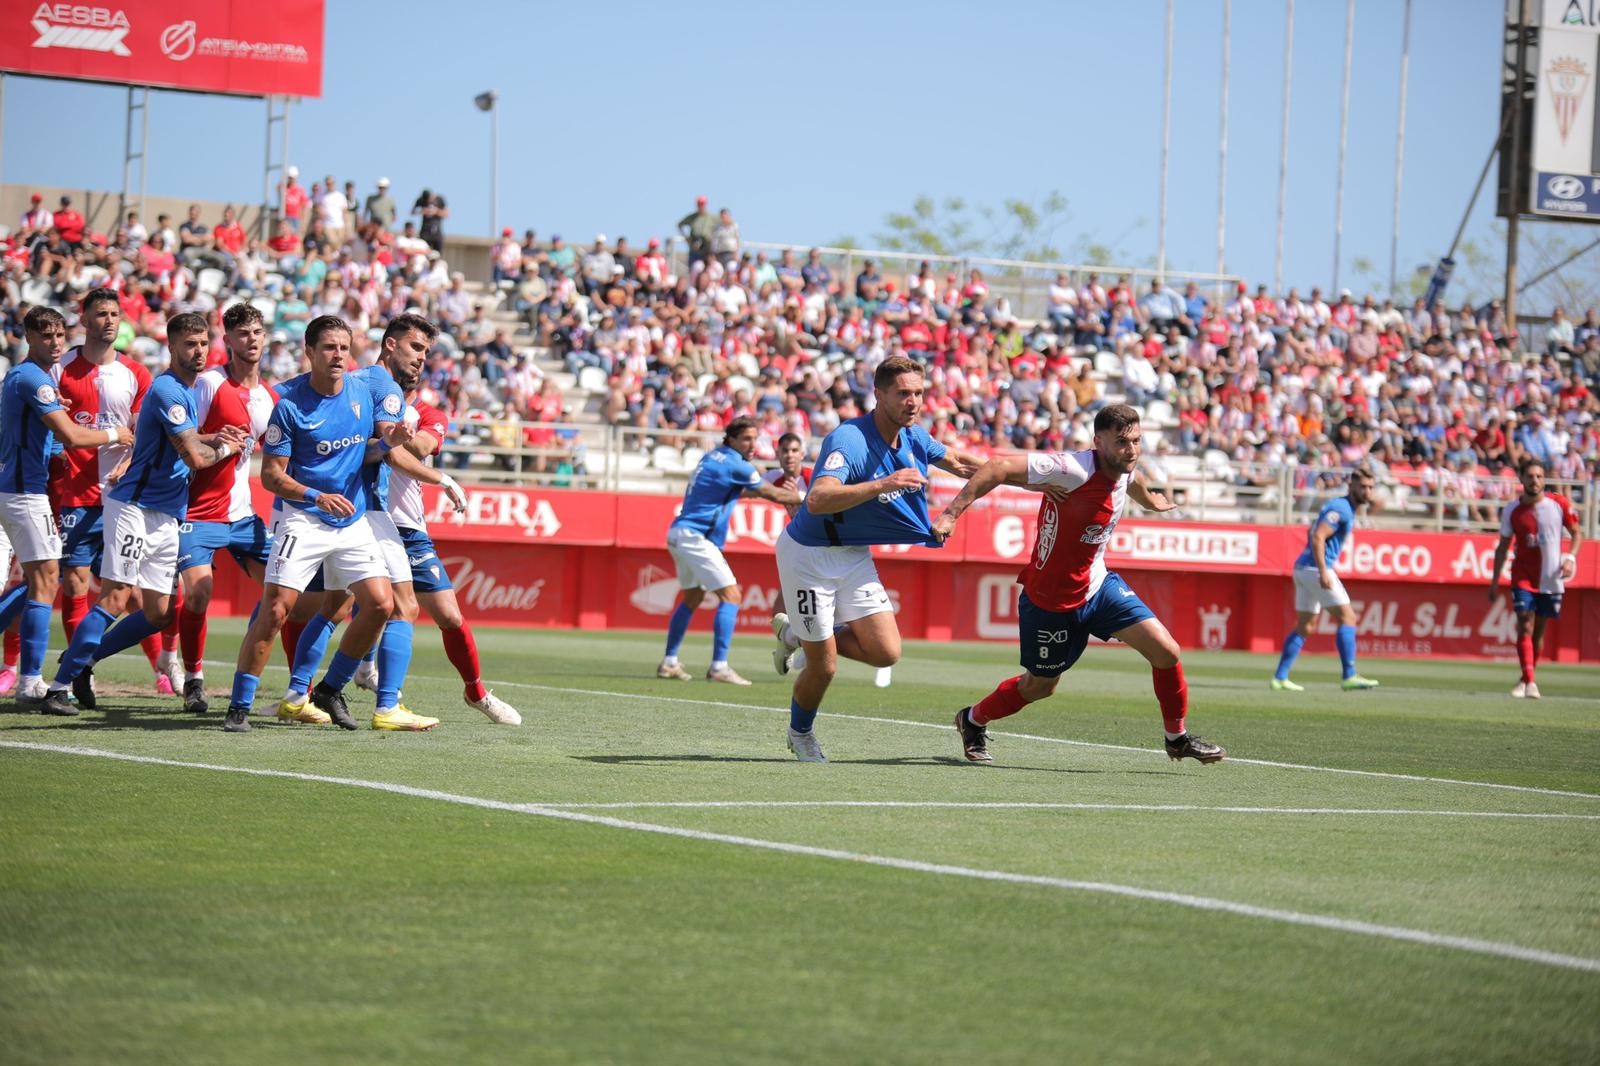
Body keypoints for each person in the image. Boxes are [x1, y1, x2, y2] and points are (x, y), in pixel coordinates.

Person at [931, 404, 1226, 767]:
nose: (1131, 449)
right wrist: (950, 513)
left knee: (1166, 651)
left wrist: (1152, 503)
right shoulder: (1071, 470)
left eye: (1136, 441)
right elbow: (996, 466)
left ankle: (1176, 738)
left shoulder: (1123, 470)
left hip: (1099, 587)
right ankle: (972, 719)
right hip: (1048, 601)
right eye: (1121, 442)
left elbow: (1132, 482)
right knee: (1040, 686)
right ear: (1097, 442)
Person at [769, 355, 984, 761]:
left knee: (887, 652)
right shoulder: (848, 439)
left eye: (918, 393)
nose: (913, 402)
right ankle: (800, 733)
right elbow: (817, 499)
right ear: (879, 394)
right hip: (809, 557)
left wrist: (1024, 477)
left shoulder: (914, 436)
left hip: (851, 555)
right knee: (825, 666)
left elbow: (959, 463)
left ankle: (794, 635)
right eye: (903, 393)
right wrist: (884, 483)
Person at [38, 315, 248, 715]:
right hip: (134, 507)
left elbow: (179, 442)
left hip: (166, 513)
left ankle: (83, 663)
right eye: (190, 343)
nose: (199, 351)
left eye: (203, 343)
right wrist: (224, 448)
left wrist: (211, 437)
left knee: (158, 613)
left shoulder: (184, 392)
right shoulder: (169, 390)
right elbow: (192, 457)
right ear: (171, 347)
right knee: (116, 596)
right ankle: (58, 687)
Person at [275, 315, 473, 725]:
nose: (421, 359)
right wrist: (442, 478)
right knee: (401, 606)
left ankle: (297, 695)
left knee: (333, 605)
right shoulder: (382, 386)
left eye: (425, 353)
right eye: (415, 348)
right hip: (363, 510)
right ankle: (381, 704)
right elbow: (390, 450)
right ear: (389, 345)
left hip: (328, 508)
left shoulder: (352, 381)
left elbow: (284, 395)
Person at [220, 315, 415, 733]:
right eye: (328, 347)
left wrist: (387, 444)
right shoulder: (289, 405)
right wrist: (315, 495)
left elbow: (363, 453)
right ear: (309, 352)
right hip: (303, 519)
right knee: (275, 611)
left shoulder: (363, 392)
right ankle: (239, 705)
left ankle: (329, 689)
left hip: (351, 520)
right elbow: (271, 475)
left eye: (344, 347)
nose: (338, 355)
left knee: (381, 604)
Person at [0, 307, 133, 705]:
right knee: (45, 580)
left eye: (60, 335)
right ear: (28, 337)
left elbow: (49, 438)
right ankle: (30, 682)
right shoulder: (33, 378)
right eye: (46, 336)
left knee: (42, 579)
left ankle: (28, 678)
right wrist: (116, 433)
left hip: (19, 486)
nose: (56, 343)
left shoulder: (25, 379)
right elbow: (72, 435)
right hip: (25, 491)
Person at [172, 303, 287, 715]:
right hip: (197, 511)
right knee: (200, 595)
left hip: (242, 515)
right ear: (228, 340)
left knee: (285, 590)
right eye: (243, 333)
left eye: (257, 332)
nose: (252, 339)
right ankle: (194, 680)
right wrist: (217, 441)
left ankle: (297, 691)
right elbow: (182, 439)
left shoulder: (270, 397)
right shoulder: (209, 383)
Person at [51, 289, 163, 695]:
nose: (110, 321)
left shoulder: (136, 372)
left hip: (124, 497)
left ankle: (161, 671)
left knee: (131, 593)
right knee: (76, 586)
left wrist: (128, 462)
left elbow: (146, 435)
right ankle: (78, 668)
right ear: (84, 319)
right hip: (74, 496)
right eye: (101, 314)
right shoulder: (60, 367)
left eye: (115, 313)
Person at [658, 417, 800, 685]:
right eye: (746, 439)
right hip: (697, 537)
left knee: (691, 599)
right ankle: (719, 666)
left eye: (755, 439)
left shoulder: (713, 457)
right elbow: (775, 495)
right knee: (732, 596)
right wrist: (809, 498)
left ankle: (669, 662)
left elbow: (736, 492)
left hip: (678, 532)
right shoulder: (738, 464)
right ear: (731, 439)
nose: (752, 445)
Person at [1270, 468, 1381, 692]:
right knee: (1348, 617)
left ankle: (1280, 677)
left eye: (1370, 487)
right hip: (1314, 569)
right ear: (1351, 486)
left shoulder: (1344, 507)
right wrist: (1323, 571)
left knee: (1305, 625)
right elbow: (1319, 535)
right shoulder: (1342, 508)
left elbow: (1313, 530)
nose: (1367, 491)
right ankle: (1349, 675)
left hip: (1303, 567)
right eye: (1363, 487)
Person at [1489, 459, 1581, 699]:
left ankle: (1526, 678)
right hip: (1522, 575)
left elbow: (1577, 533)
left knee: (1538, 633)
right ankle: (1530, 682)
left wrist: (1570, 557)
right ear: (1521, 479)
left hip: (1551, 578)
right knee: (1524, 623)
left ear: (1544, 479)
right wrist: (1494, 580)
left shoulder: (1558, 504)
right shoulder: (1512, 509)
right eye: (1530, 476)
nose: (1535, 481)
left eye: (1539, 476)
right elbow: (1503, 547)